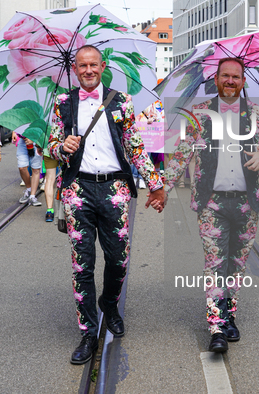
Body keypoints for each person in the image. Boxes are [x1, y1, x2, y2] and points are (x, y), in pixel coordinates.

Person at [47, 45, 164, 365]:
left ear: (102, 66)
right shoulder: (62, 103)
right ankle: (87, 331)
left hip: (114, 189)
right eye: (82, 66)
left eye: (93, 65)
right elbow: (51, 147)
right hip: (77, 190)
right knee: (82, 265)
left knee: (118, 259)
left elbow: (136, 147)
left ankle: (109, 303)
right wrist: (62, 146)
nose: (88, 70)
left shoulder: (120, 102)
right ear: (75, 68)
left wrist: (156, 185)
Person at [163, 57, 259, 353]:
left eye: (236, 77)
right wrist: (162, 188)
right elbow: (181, 154)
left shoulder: (257, 113)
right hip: (211, 203)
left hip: (247, 204)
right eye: (225, 76)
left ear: (243, 81)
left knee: (236, 265)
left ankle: (229, 316)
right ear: (215, 79)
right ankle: (216, 326)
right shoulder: (199, 115)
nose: (230, 81)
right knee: (215, 265)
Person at [13, 131, 43, 207]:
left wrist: (33, 139)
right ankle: (29, 189)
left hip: (37, 141)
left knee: (36, 170)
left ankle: (33, 196)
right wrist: (23, 136)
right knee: (22, 167)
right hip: (23, 142)